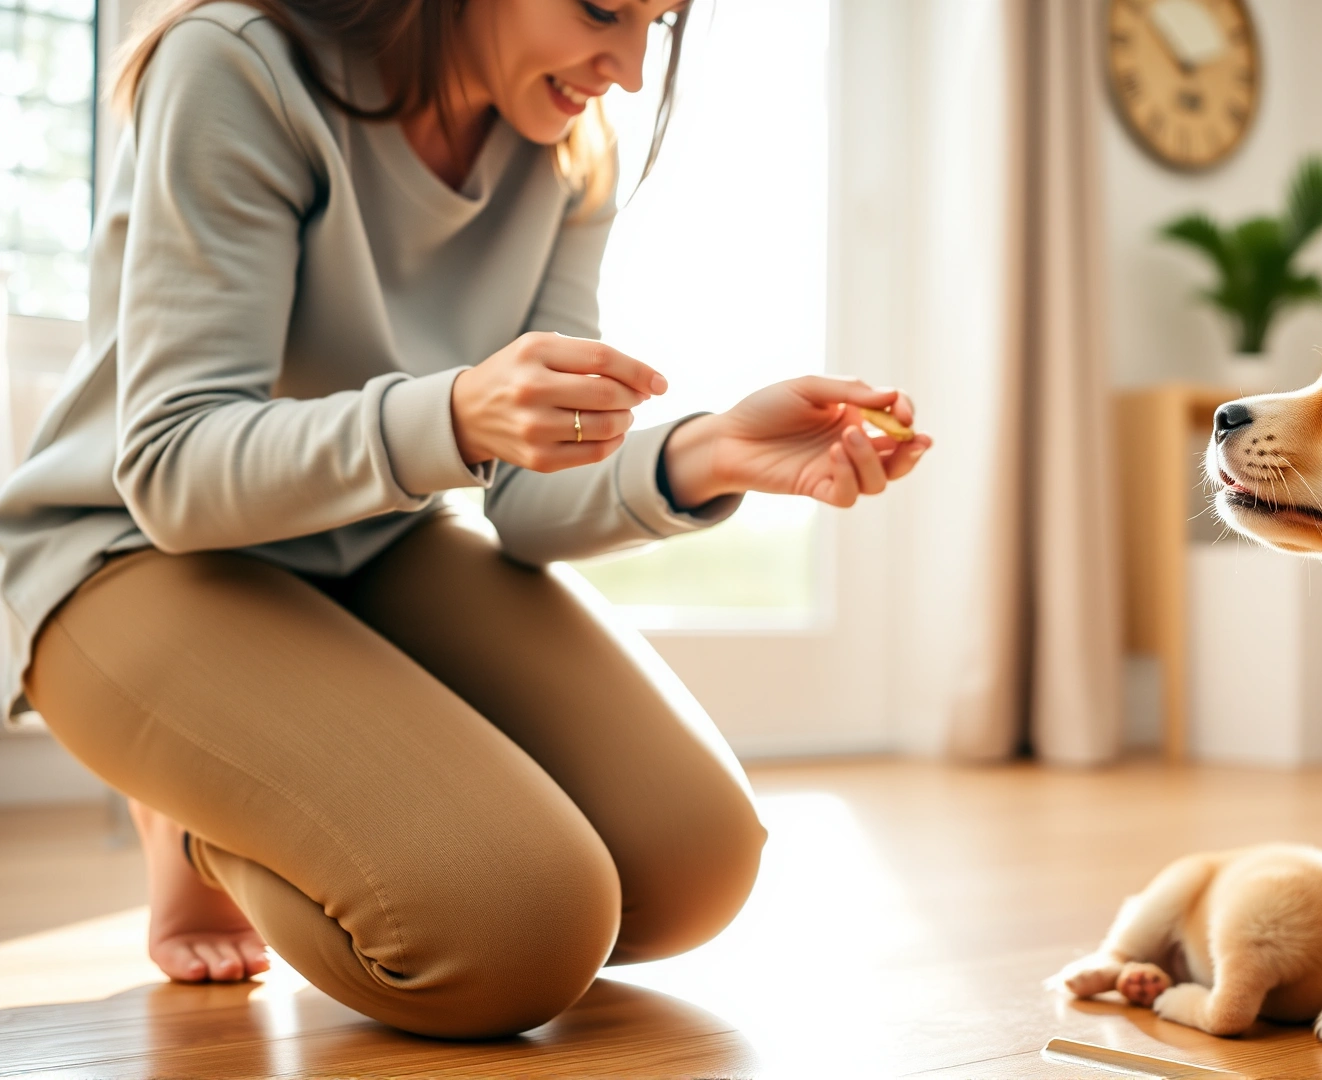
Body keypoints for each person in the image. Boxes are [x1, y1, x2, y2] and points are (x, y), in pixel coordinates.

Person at [0, 0, 931, 1039]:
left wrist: (702, 454)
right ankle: (196, 821)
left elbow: (527, 503)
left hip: (374, 540)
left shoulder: (569, 151)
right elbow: (173, 467)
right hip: (133, 553)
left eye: (657, 26)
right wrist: (448, 415)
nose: (625, 68)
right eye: (601, 10)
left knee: (695, 866)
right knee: (513, 933)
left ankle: (252, 773)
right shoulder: (235, 68)